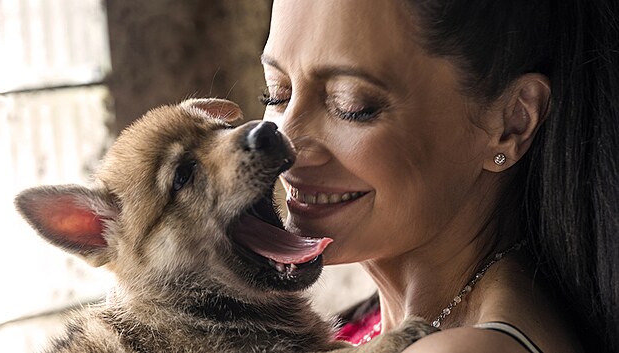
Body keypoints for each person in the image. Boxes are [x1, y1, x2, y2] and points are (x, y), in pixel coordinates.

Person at [259, 1, 619, 352]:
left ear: (512, 123)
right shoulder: (381, 322)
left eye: (352, 106)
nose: (283, 149)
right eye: (277, 94)